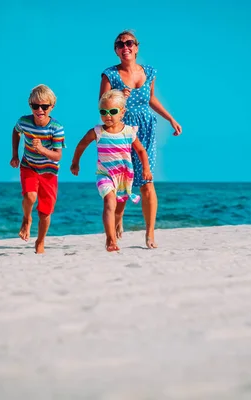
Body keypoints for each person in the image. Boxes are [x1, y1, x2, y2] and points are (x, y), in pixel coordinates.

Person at [100, 29, 182, 249]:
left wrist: (170, 119)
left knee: (147, 181)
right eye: (120, 44)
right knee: (122, 182)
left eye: (129, 43)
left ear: (136, 47)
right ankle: (118, 218)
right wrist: (120, 99)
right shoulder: (110, 74)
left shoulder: (149, 72)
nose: (125, 47)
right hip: (121, 131)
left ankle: (150, 233)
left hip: (146, 130)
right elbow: (104, 104)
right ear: (116, 50)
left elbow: (151, 99)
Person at [70, 89, 152, 252]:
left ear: (122, 112)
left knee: (119, 210)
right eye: (103, 112)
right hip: (105, 175)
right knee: (109, 203)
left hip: (124, 176)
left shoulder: (129, 132)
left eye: (112, 111)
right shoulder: (97, 131)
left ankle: (119, 221)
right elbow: (81, 145)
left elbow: (141, 151)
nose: (108, 115)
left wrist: (146, 169)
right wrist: (75, 163)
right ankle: (110, 240)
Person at [10, 84, 65, 254]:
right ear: (30, 105)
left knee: (45, 212)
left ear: (52, 107)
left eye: (44, 106)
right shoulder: (24, 122)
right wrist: (15, 155)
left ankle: (40, 242)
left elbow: (57, 156)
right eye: (35, 106)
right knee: (30, 196)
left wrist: (41, 149)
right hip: (29, 166)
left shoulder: (56, 128)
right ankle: (26, 219)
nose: (39, 110)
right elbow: (16, 131)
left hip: (49, 172)